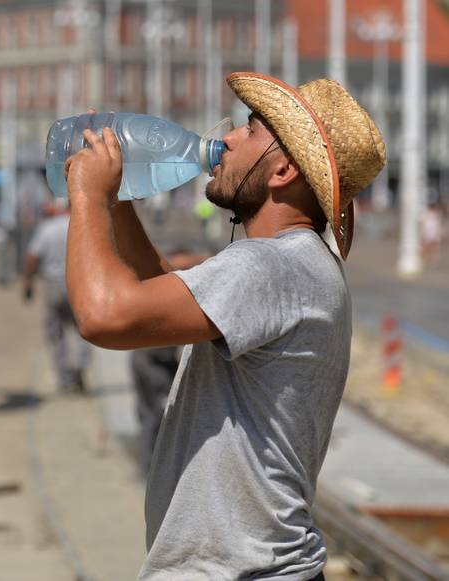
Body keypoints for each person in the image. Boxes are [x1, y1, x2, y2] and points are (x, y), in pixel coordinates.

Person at [63, 72, 385, 580]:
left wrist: (84, 197)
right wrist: (116, 202)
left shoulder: (269, 267)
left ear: (282, 170)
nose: (228, 137)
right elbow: (161, 295)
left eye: (251, 130)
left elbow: (103, 317)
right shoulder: (298, 264)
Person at [130, 249, 207, 478]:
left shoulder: (165, 288)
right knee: (156, 416)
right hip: (151, 361)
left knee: (153, 416)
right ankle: (149, 472)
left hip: (155, 359)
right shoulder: (162, 290)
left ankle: (151, 469)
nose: (184, 273)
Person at [24, 198, 90, 393]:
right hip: (79, 282)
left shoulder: (47, 228)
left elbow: (33, 256)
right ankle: (79, 365)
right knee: (83, 330)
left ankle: (64, 379)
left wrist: (28, 282)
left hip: (53, 283)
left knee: (56, 333)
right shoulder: (83, 224)